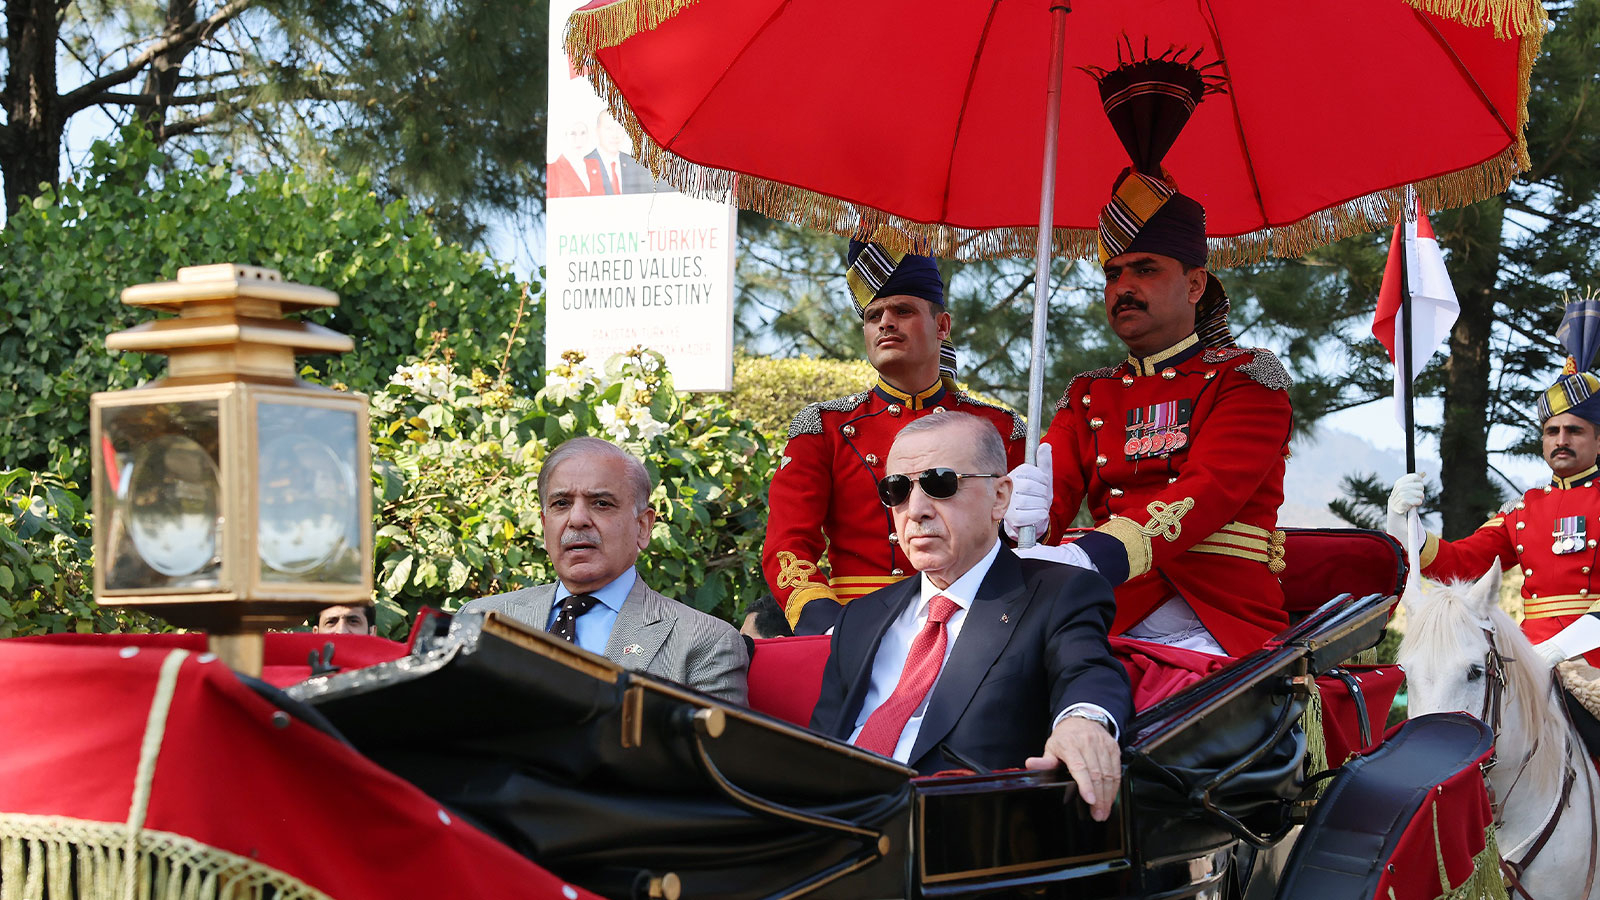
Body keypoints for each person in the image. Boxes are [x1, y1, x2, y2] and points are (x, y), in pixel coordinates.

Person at [1001, 55, 1292, 658]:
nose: (1122, 287)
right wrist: (1017, 518)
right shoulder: (1089, 393)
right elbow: (1053, 492)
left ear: (1194, 284)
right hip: (1107, 603)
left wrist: (1096, 553)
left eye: (1145, 269)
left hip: (1216, 612)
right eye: (1112, 273)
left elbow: (1209, 489)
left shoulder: (1248, 381)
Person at [810, 413, 1131, 819]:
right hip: (831, 829)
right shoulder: (860, 616)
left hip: (959, 838)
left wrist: (1083, 722)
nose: (916, 510)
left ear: (1000, 497)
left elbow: (1087, 671)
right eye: (897, 490)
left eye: (940, 483)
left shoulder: (1058, 594)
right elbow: (819, 745)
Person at [763, 229, 1025, 634]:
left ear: (942, 326)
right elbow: (788, 546)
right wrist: (825, 625)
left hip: (980, 623)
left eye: (902, 310)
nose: (885, 322)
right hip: (857, 624)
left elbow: (1025, 539)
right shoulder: (822, 428)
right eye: (873, 315)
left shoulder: (1002, 429)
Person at [1388, 297, 1600, 667]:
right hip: (1530, 659)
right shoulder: (1523, 512)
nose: (1561, 440)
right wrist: (1407, 524)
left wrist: (1567, 645)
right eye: (1551, 431)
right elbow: (1461, 564)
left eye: (1574, 430)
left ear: (1598, 439)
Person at [461, 437, 749, 703]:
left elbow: (716, 757)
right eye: (561, 504)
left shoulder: (705, 641)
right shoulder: (480, 619)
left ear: (643, 526)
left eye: (601, 503)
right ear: (544, 523)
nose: (577, 520)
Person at [587, 112, 657, 195]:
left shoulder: (635, 164)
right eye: (609, 128)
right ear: (597, 131)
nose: (615, 135)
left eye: (619, 128)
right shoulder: (585, 164)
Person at [547, 118, 605, 199]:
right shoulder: (553, 169)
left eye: (583, 133)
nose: (578, 139)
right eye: (573, 134)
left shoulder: (595, 165)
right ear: (565, 136)